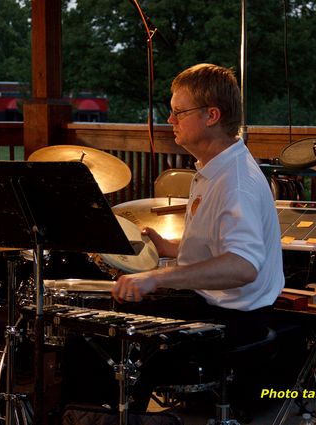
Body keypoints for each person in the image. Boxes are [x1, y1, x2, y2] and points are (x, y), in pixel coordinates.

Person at [112, 63, 284, 342]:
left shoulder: (236, 182)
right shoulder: (216, 168)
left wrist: (157, 278)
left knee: (110, 332)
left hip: (231, 322)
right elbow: (223, 245)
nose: (170, 120)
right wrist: (174, 249)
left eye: (179, 112)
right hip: (212, 306)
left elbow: (243, 265)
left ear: (212, 116)